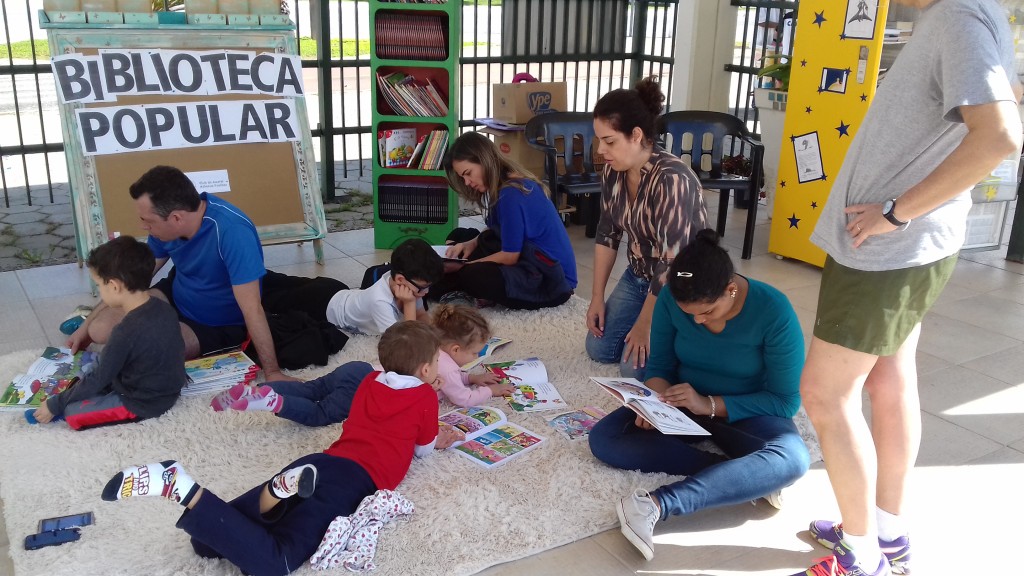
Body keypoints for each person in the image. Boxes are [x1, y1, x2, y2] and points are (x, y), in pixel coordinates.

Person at [793, 2, 1023, 575]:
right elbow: (1010, 96)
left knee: (824, 395)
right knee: (889, 383)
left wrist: (897, 212)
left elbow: (1000, 136)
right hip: (905, 248)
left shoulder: (956, 16)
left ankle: (861, 555)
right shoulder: (976, 13)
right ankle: (885, 535)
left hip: (887, 253)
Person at [100, 321, 464, 576]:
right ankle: (180, 485)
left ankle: (275, 491)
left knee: (205, 544)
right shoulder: (424, 397)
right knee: (276, 562)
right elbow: (422, 450)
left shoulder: (369, 380)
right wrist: (439, 440)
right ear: (424, 369)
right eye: (436, 363)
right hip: (353, 481)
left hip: (318, 463)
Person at [589, 230, 809, 561]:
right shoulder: (670, 297)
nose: (697, 320)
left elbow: (784, 401)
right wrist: (653, 404)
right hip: (680, 402)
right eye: (689, 312)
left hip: (745, 410)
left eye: (707, 311)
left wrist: (709, 405)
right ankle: (737, 475)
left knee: (792, 459)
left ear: (731, 289)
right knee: (605, 439)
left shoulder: (773, 310)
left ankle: (655, 504)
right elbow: (660, 367)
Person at [66, 165, 293, 382]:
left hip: (215, 324)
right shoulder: (165, 229)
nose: (144, 226)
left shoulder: (232, 232)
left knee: (143, 356)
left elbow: (252, 309)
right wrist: (84, 331)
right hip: (175, 296)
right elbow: (131, 281)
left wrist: (272, 372)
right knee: (99, 330)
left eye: (148, 220)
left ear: (176, 218)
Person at [584, 77, 708, 380]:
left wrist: (645, 323)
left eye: (609, 141)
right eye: (599, 140)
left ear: (636, 135)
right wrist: (597, 296)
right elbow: (607, 233)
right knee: (598, 348)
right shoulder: (613, 171)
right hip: (639, 276)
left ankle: (687, 340)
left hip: (679, 285)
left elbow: (672, 263)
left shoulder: (672, 179)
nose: (601, 150)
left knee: (634, 369)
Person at [33, 236, 187, 430]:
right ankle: (86, 388)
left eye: (99, 285)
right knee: (99, 363)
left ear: (114, 286)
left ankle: (81, 394)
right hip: (165, 386)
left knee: (73, 413)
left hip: (143, 402)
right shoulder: (164, 308)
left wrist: (54, 405)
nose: (100, 291)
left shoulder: (125, 332)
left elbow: (100, 378)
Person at [433, 131, 578, 310]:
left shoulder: (511, 194)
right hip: (529, 258)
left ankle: (449, 282)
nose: (467, 182)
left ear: (484, 160)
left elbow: (510, 256)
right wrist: (470, 244)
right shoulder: (506, 183)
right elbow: (496, 229)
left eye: (468, 173)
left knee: (472, 274)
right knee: (461, 235)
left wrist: (464, 267)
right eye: (463, 177)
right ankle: (449, 278)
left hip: (552, 280)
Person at [325, 238, 442, 335]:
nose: (426, 292)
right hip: (328, 306)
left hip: (346, 294)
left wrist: (438, 335)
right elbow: (405, 341)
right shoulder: (380, 301)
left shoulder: (410, 286)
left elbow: (421, 315)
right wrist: (409, 304)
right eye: (423, 287)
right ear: (400, 280)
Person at [210, 361, 374, 427]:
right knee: (321, 413)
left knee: (311, 389)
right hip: (364, 384)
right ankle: (274, 401)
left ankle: (253, 390)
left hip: (358, 367)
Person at [431, 303, 513, 406]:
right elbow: (465, 399)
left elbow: (453, 378)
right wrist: (490, 390)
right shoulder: (448, 370)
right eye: (474, 353)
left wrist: (471, 378)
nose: (477, 357)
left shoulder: (434, 348)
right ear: (455, 350)